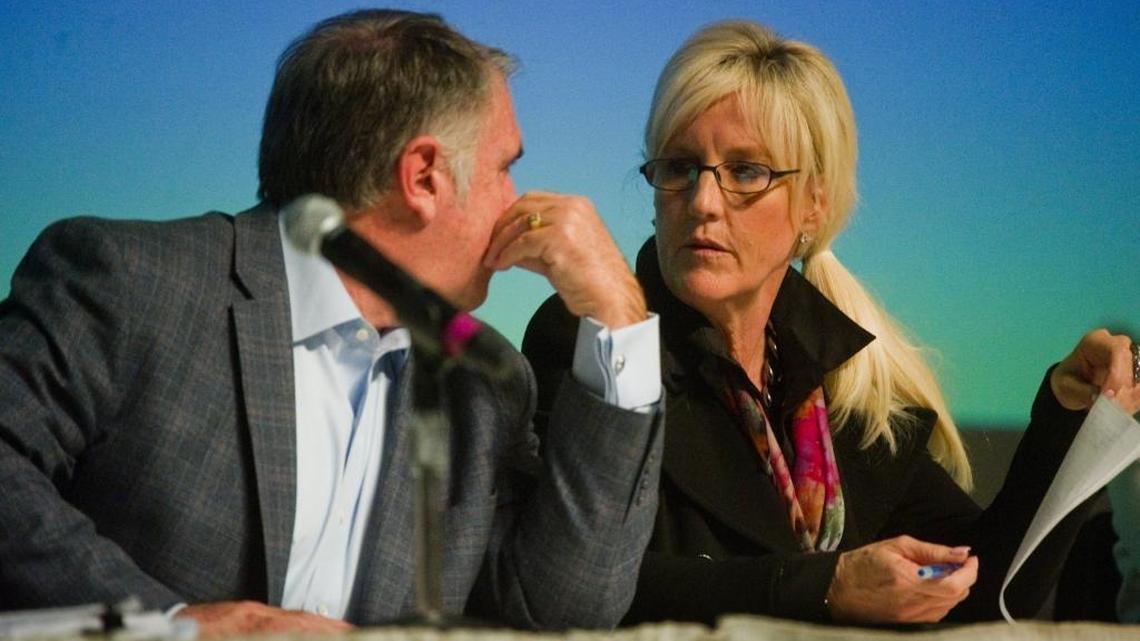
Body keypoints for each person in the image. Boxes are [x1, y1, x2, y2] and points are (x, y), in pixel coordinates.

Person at [0, 9, 664, 635]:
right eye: (504, 167)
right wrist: (171, 626)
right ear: (425, 175)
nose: (518, 202)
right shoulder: (128, 280)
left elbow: (558, 616)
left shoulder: (486, 385)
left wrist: (619, 319)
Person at [523, 19, 1140, 626]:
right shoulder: (594, 338)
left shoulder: (835, 374)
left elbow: (976, 587)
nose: (703, 202)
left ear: (813, 205)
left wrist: (1067, 417)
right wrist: (827, 586)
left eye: (745, 172)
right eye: (681, 165)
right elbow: (584, 584)